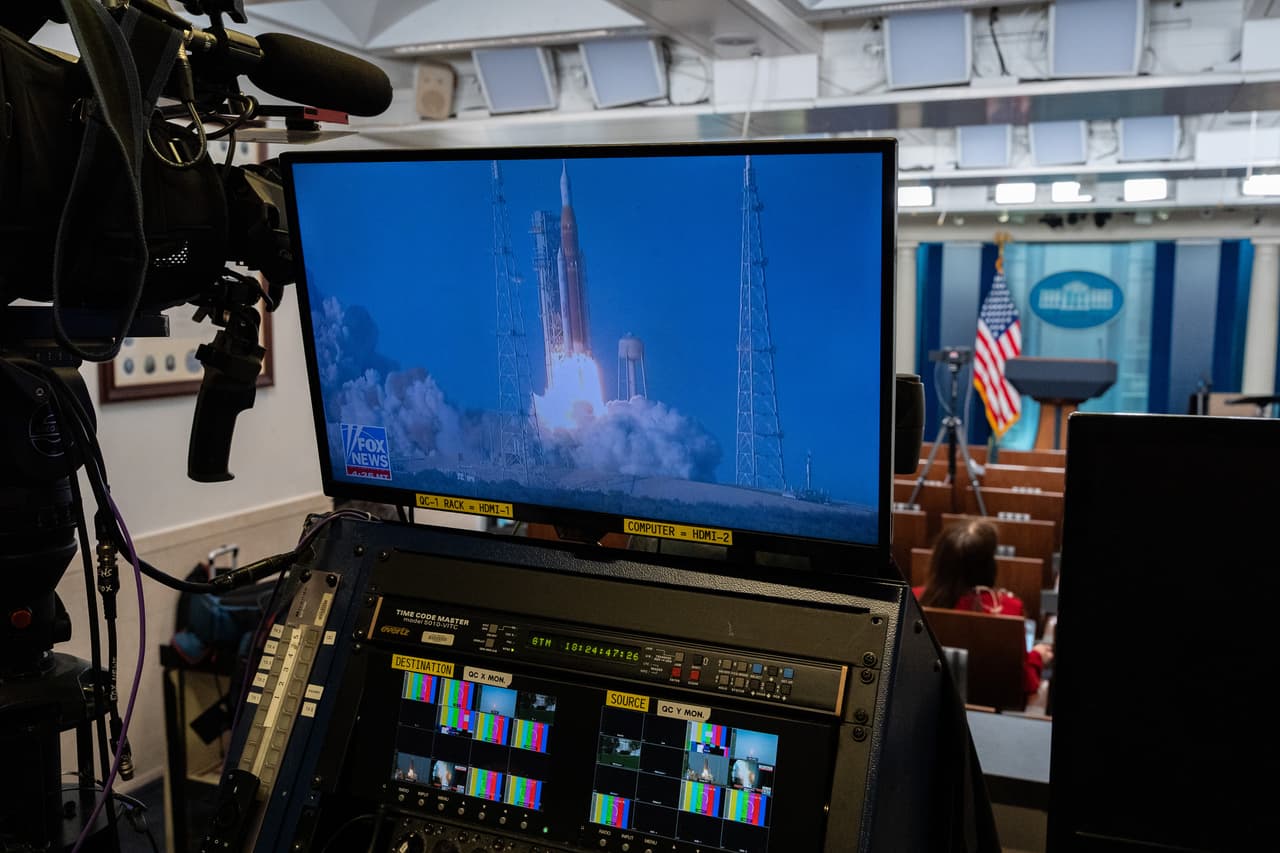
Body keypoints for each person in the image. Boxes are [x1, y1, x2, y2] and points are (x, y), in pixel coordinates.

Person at [914, 519, 1053, 697]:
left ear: (938, 560)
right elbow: (1025, 683)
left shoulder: (914, 599)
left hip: (926, 699)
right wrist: (1037, 658)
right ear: (989, 565)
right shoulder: (1009, 609)